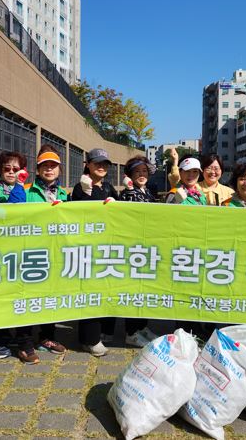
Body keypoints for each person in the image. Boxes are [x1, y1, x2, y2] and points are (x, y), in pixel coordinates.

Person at [0, 150, 35, 363]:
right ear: (0, 170)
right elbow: (6, 211)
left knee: (19, 294)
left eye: (16, 169)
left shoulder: (26, 189)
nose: (12, 172)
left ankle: (20, 338)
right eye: (7, 168)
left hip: (20, 250)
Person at [70, 148, 119, 356]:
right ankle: (90, 339)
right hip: (88, 249)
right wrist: (87, 193)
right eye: (97, 162)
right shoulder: (80, 187)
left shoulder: (108, 186)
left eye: (105, 163)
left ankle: (103, 332)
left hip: (108, 247)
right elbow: (78, 214)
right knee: (91, 292)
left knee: (106, 289)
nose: (101, 167)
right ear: (87, 165)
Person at [21, 145, 69, 357]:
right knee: (28, 296)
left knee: (51, 297)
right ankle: (24, 342)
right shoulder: (26, 190)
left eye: (53, 166)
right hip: (31, 252)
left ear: (59, 169)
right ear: (37, 170)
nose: (49, 169)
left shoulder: (64, 193)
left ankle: (47, 337)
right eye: (44, 166)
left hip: (55, 253)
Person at [119, 156, 159, 347]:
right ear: (130, 175)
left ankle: (142, 326)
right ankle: (131, 331)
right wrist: (128, 188)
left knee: (144, 289)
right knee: (134, 289)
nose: (142, 175)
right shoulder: (128, 192)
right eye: (137, 172)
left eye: (144, 171)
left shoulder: (149, 191)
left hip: (148, 246)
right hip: (133, 247)